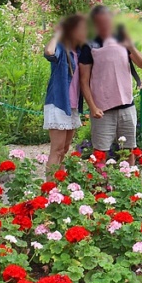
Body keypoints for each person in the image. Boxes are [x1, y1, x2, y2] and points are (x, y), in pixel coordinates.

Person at [78, 5, 142, 160]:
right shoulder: (89, 45)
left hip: (127, 106)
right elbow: (84, 81)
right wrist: (92, 107)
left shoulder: (122, 40)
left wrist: (130, 46)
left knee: (129, 150)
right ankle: (100, 184)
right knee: (100, 153)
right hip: (102, 110)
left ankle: (130, 180)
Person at [42, 14, 87, 168]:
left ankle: (59, 184)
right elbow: (49, 52)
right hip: (58, 103)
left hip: (71, 106)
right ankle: (50, 189)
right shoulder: (62, 48)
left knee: (65, 149)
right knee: (57, 149)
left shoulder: (79, 52)